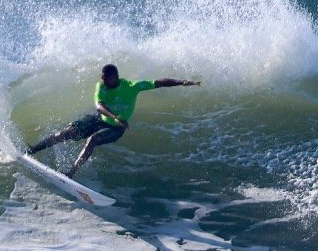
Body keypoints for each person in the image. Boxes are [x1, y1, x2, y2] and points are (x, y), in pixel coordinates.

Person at [26, 64, 201, 178]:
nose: (102, 80)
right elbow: (99, 106)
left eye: (105, 77)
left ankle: (71, 173)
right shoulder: (101, 86)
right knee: (66, 133)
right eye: (102, 77)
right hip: (100, 119)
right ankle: (32, 149)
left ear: (115, 77)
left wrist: (183, 82)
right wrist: (114, 116)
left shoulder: (132, 87)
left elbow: (159, 82)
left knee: (92, 140)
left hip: (116, 129)